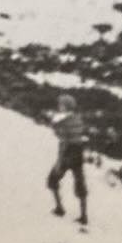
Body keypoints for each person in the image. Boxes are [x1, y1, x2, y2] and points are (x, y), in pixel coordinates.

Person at [47, 94, 89, 224]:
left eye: (61, 105)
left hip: (67, 152)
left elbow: (63, 140)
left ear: (65, 106)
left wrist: (60, 161)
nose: (59, 107)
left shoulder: (63, 121)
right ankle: (83, 216)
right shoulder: (78, 118)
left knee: (52, 180)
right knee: (79, 182)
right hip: (78, 152)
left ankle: (59, 208)